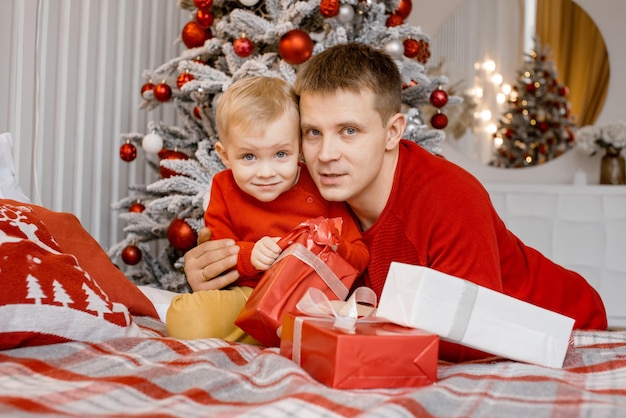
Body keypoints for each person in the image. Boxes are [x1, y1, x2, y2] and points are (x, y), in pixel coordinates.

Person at [183, 43, 608, 361]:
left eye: (349, 130)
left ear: (392, 132)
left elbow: (470, 342)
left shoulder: (448, 197)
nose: (326, 153)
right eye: (313, 132)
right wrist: (215, 266)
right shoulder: (311, 182)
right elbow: (255, 239)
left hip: (569, 324)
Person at [166, 75, 369, 342]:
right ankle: (269, 331)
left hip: (311, 300)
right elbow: (218, 253)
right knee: (185, 316)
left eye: (280, 155)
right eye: (249, 157)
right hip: (249, 296)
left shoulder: (321, 185)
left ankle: (285, 333)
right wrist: (250, 256)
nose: (266, 172)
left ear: (299, 149)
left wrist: (336, 246)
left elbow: (360, 254)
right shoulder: (224, 187)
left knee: (348, 318)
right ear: (225, 155)